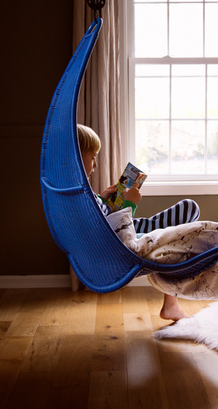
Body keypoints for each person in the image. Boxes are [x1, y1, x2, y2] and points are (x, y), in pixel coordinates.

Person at [77, 124, 201, 321]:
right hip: (123, 242)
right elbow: (122, 240)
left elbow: (96, 221)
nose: (95, 165)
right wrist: (129, 204)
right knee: (180, 240)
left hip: (122, 227)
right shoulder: (79, 193)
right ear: (76, 155)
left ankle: (171, 305)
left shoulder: (77, 191)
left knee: (189, 208)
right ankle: (171, 306)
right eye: (92, 157)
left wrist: (102, 199)